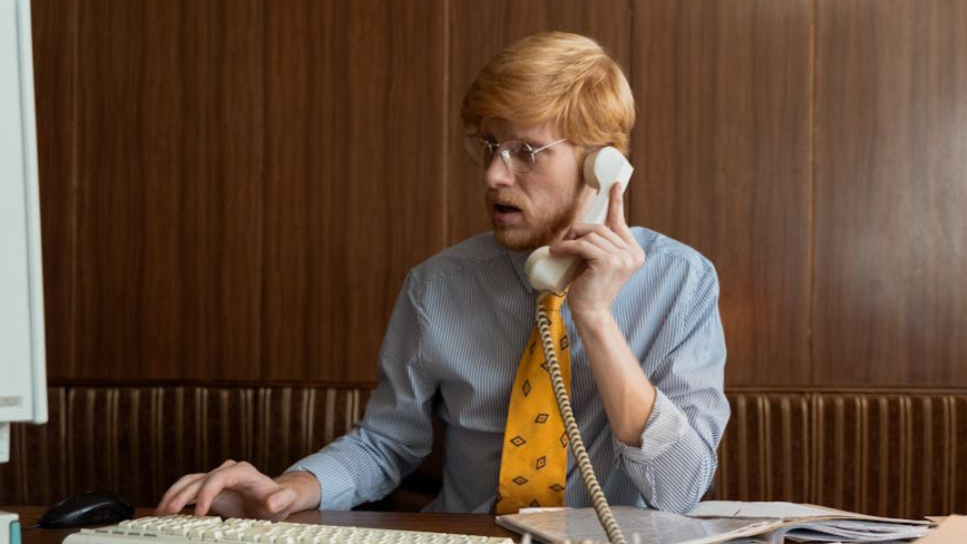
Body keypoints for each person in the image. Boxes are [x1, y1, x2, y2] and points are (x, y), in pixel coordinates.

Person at [156, 31, 729, 520]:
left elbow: (678, 490)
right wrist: (287, 492)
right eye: (489, 145)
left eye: (526, 151)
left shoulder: (681, 283)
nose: (494, 175)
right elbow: (386, 444)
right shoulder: (438, 286)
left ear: (603, 164)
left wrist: (596, 318)